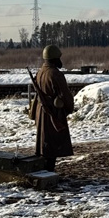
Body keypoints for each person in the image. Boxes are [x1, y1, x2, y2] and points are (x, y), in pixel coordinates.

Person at [30, 44, 75, 172]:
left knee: (45, 142)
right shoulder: (55, 74)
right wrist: (68, 108)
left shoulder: (40, 72)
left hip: (42, 110)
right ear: (55, 58)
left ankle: (45, 169)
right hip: (52, 112)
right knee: (52, 143)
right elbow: (65, 95)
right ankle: (48, 170)